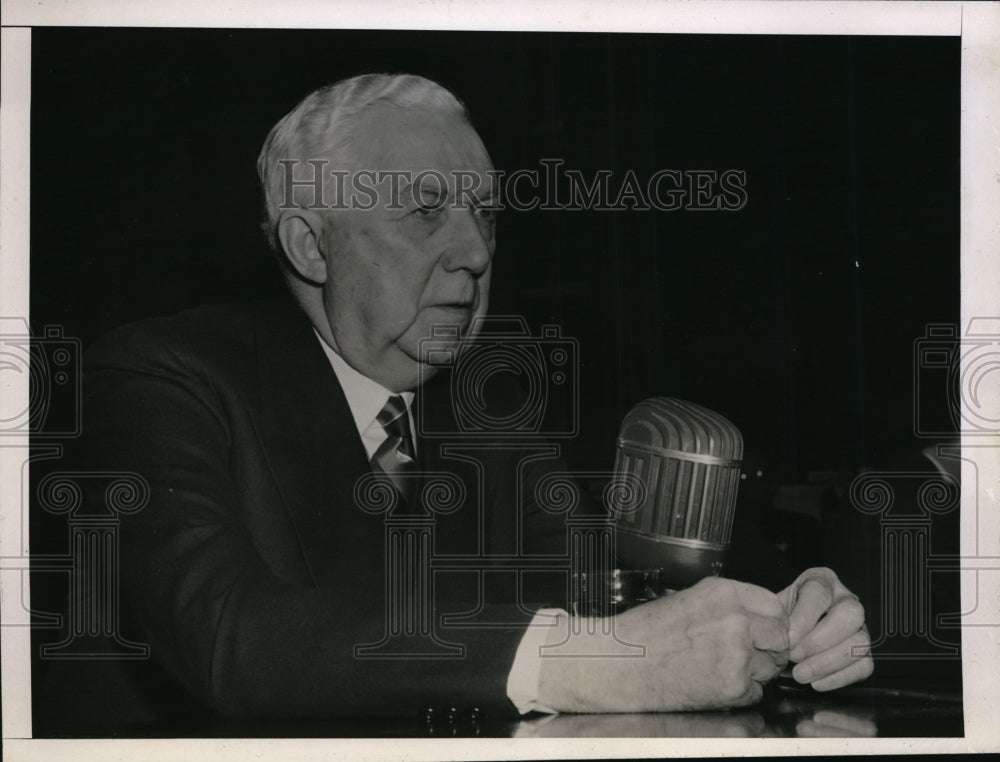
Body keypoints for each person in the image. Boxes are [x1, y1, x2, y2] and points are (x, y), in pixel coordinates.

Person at [42, 73, 872, 729]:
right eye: (426, 210)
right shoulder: (157, 378)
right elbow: (230, 638)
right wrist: (586, 664)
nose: (475, 250)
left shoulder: (489, 419)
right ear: (310, 244)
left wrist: (781, 623)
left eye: (485, 213)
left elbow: (606, 602)